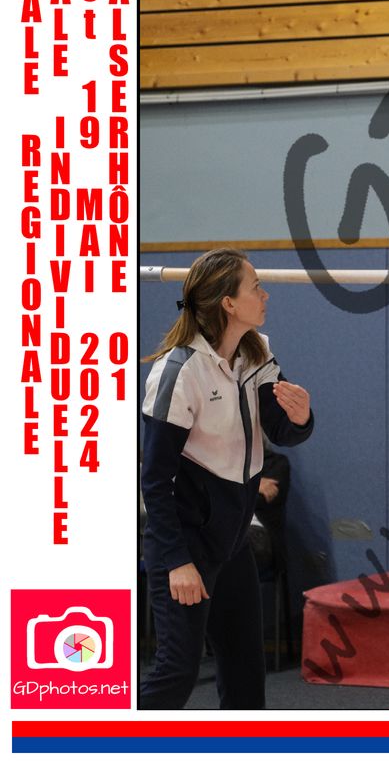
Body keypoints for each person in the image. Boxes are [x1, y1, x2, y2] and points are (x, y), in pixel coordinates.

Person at [140, 247, 314, 709]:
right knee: (176, 674)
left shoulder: (257, 351)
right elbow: (155, 480)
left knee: (245, 679)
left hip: (233, 544)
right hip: (186, 546)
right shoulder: (178, 372)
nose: (265, 294)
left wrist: (301, 418)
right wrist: (177, 561)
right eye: (256, 287)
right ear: (229, 304)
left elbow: (280, 429)